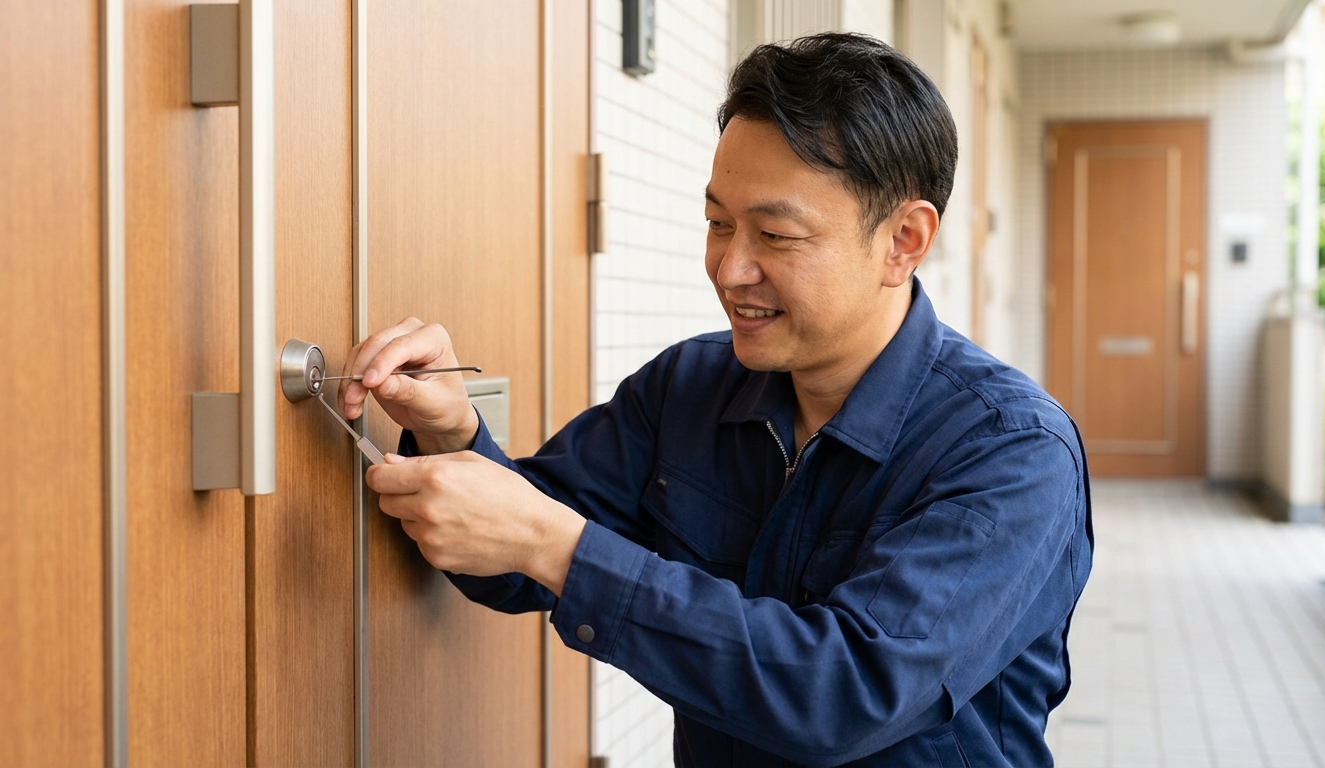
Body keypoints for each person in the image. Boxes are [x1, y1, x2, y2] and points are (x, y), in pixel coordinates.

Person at [340, 32, 1093, 768]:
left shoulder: (1012, 451)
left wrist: (558, 546)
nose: (730, 269)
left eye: (774, 234)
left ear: (903, 240)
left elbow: (845, 695)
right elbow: (508, 563)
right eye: (717, 223)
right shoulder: (690, 388)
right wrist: (451, 432)